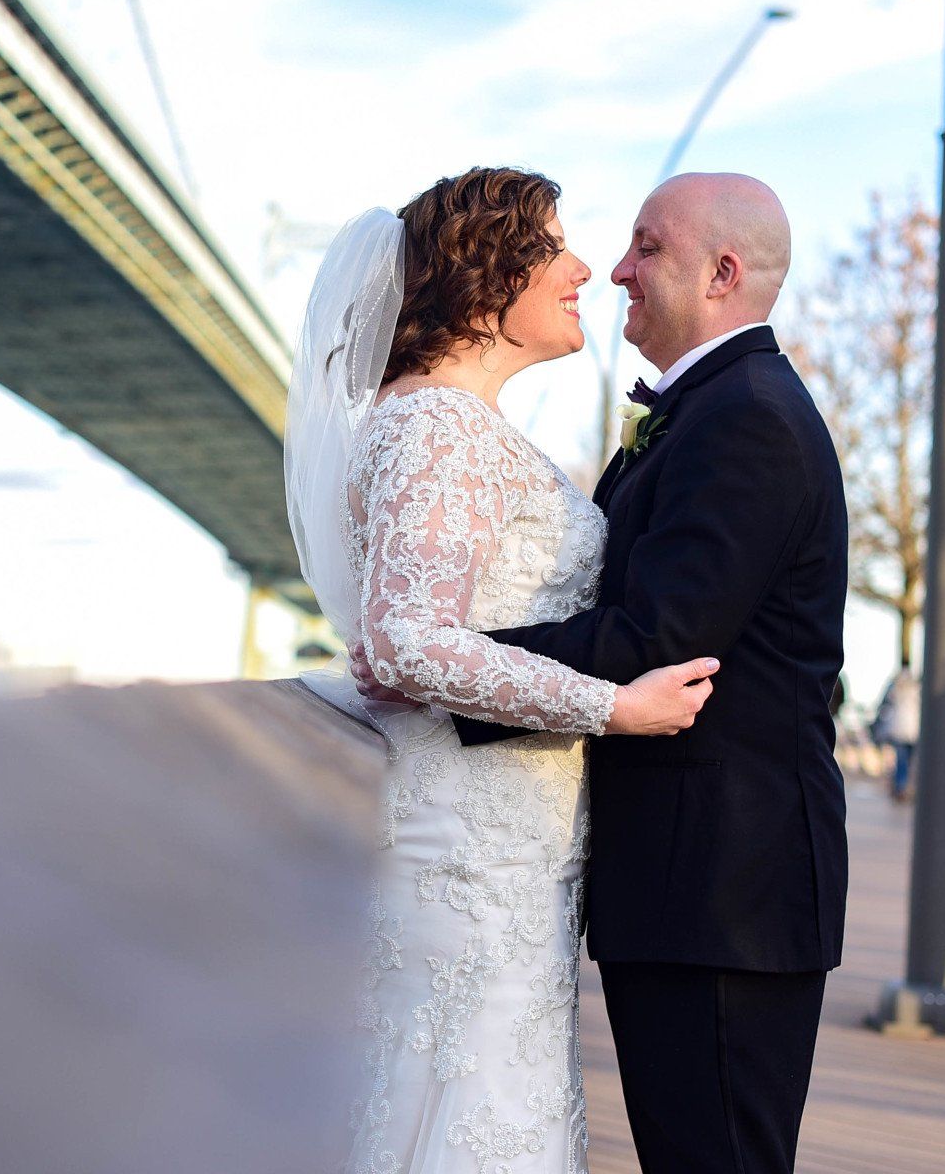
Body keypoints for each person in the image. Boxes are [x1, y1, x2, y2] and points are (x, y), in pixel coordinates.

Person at [350, 172, 848, 1174]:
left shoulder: (744, 415)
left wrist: (443, 664)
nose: (612, 268)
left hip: (719, 891)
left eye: (644, 247)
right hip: (661, 885)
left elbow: (660, 633)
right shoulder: (713, 408)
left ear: (722, 272)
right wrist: (433, 652)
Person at [283, 168, 719, 1174]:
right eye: (554, 244)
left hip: (511, 842)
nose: (582, 270)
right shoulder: (436, 426)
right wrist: (613, 704)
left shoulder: (448, 424)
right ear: (486, 277)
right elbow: (405, 640)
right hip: (471, 846)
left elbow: (414, 638)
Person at [873, 663, 922, 801]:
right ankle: (901, 787)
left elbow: (883, 706)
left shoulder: (894, 689)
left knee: (902, 760)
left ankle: (900, 787)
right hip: (911, 731)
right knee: (906, 761)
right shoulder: (917, 689)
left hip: (900, 730)